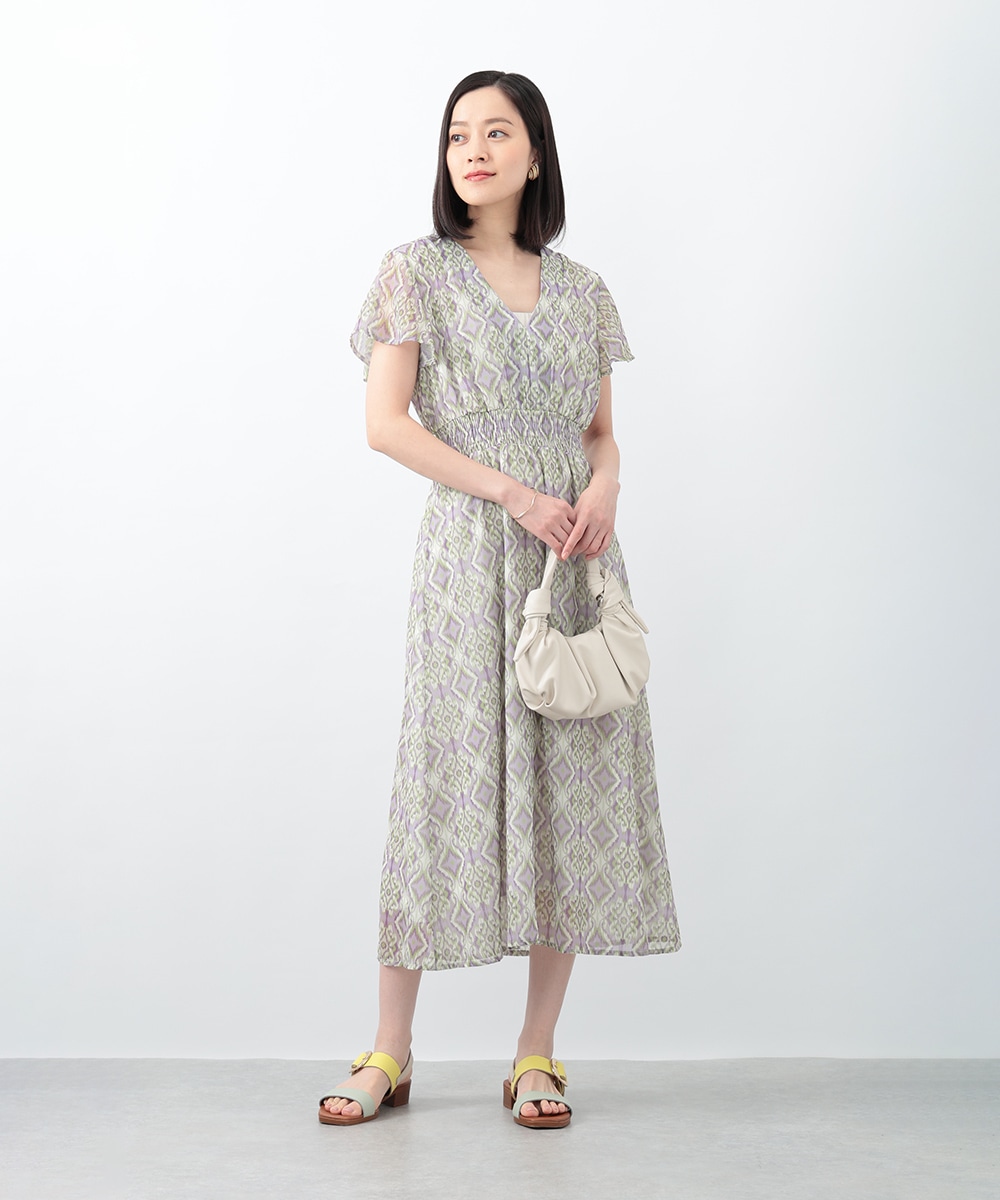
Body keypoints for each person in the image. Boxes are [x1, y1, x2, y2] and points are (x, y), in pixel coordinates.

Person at [318, 69, 681, 1130]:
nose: (472, 151)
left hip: (572, 556)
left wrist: (603, 489)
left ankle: (536, 1055)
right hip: (472, 553)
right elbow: (386, 424)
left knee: (572, 784)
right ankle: (389, 1050)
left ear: (535, 152)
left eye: (495, 132)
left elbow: (601, 435)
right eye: (456, 135)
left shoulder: (584, 291)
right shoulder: (413, 273)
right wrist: (513, 491)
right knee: (440, 780)